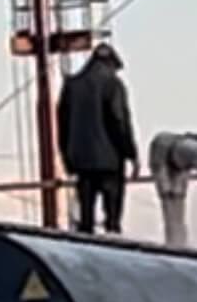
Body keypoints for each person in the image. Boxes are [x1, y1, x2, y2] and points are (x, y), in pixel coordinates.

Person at [56, 42, 140, 235]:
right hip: (110, 162)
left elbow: (63, 127)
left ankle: (87, 247)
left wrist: (68, 159)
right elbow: (118, 121)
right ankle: (112, 243)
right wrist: (131, 154)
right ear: (112, 64)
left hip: (81, 162)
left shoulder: (72, 85)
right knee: (112, 220)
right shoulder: (113, 85)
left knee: (86, 220)